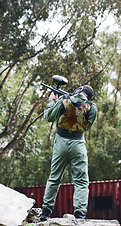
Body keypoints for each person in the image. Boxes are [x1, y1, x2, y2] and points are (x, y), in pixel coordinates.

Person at [40, 85, 97, 221]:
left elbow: (48, 117)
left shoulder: (64, 100)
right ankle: (80, 214)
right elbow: (87, 126)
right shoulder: (92, 107)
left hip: (61, 143)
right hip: (78, 143)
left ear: (79, 90)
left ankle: (45, 213)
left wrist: (52, 101)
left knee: (54, 178)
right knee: (81, 181)